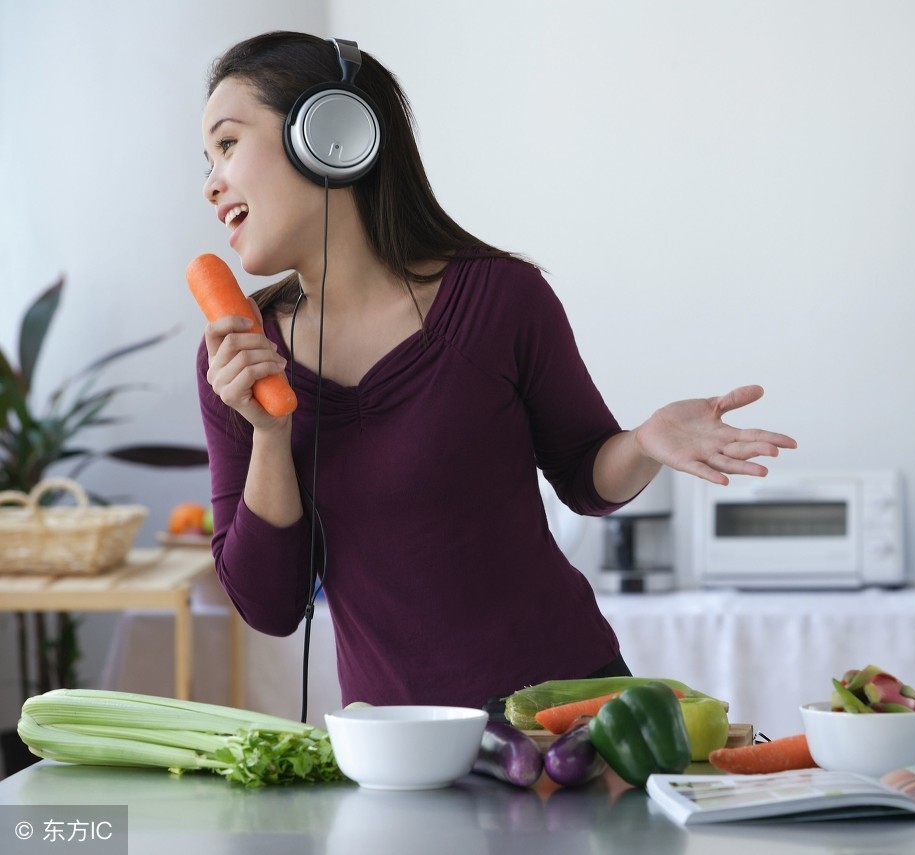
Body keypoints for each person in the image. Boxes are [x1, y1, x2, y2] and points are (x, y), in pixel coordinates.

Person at [196, 31, 796, 718]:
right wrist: (270, 434)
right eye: (207, 160)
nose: (212, 183)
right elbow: (270, 606)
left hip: (571, 719)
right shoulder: (236, 359)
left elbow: (584, 476)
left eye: (228, 145)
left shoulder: (502, 300)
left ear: (331, 136)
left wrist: (643, 440)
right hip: (399, 747)